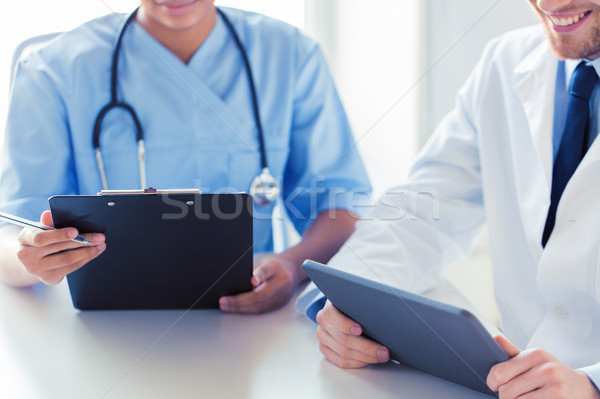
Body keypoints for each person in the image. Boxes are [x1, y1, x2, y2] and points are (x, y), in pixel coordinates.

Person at [298, 0, 600, 397]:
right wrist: (346, 300)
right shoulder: (506, 61)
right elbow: (422, 209)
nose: (550, 3)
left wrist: (592, 383)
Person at [0, 0, 371, 314]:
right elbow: (10, 231)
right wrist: (29, 256)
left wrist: (293, 264)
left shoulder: (289, 55)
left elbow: (342, 205)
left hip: (248, 320)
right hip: (107, 326)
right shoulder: (53, 70)